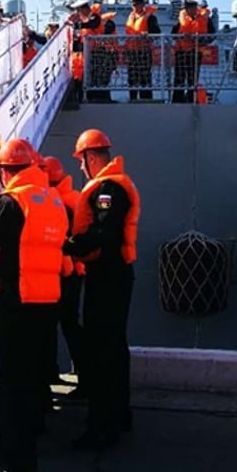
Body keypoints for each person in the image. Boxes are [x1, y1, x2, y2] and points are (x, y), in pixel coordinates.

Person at [0, 138, 67, 472]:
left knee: (10, 388)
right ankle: (27, 452)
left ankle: (17, 469)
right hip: (47, 303)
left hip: (17, 303)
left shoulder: (10, 203)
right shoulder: (54, 200)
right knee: (32, 384)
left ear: (7, 171)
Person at [65, 128, 140, 449]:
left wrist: (71, 244)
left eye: (82, 162)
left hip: (106, 276)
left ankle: (101, 428)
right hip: (116, 274)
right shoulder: (115, 185)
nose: (81, 169)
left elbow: (105, 231)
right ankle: (119, 415)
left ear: (91, 157)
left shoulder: (108, 189)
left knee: (101, 352)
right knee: (114, 348)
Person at [42, 155, 86, 398]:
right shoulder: (74, 197)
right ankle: (79, 374)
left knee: (54, 323)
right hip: (75, 271)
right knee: (68, 322)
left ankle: (79, 377)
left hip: (62, 272)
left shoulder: (57, 202)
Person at [171, 0, 216, 103]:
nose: (188, 10)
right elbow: (173, 34)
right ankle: (177, 101)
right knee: (179, 78)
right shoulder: (181, 18)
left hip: (195, 52)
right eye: (186, 8)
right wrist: (181, 36)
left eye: (190, 7)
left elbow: (212, 35)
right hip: (181, 52)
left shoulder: (205, 19)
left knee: (192, 79)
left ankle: (191, 100)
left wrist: (200, 40)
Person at [124, 0, 160, 101]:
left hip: (144, 51)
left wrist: (148, 34)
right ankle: (133, 98)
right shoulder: (131, 16)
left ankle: (146, 99)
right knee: (132, 77)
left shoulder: (150, 17)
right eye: (134, 4)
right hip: (132, 52)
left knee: (145, 77)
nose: (135, 6)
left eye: (138, 3)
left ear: (143, 4)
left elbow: (157, 32)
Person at [66, 0, 102, 107]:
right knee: (82, 76)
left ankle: (94, 98)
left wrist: (76, 25)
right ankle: (83, 96)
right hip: (85, 53)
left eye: (79, 10)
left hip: (96, 51)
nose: (79, 13)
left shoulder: (94, 17)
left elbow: (91, 25)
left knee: (94, 77)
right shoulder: (84, 19)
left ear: (84, 8)